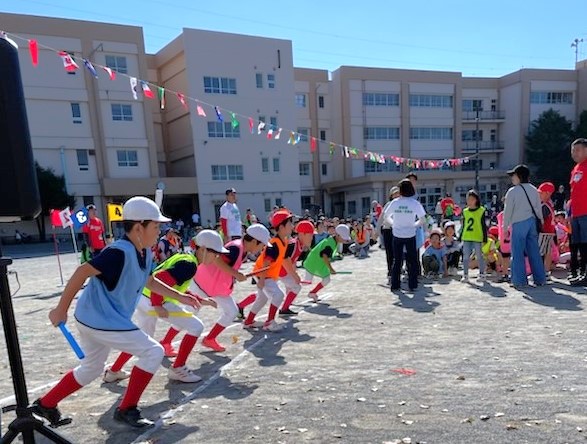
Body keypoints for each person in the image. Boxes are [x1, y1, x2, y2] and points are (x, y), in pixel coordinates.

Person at [31, 196, 200, 428]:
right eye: (156, 226)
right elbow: (81, 272)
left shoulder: (145, 251)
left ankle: (45, 404)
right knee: (153, 352)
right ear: (139, 227)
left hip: (96, 318)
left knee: (91, 368)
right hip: (100, 318)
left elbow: (149, 281)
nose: (159, 231)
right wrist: (60, 309)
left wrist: (181, 296)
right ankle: (126, 409)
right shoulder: (119, 252)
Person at [103, 230, 223, 384]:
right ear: (203, 249)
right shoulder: (190, 265)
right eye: (216, 253)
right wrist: (158, 304)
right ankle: (178, 368)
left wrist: (199, 299)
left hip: (143, 297)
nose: (217, 257)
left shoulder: (185, 258)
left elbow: (173, 284)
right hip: (153, 300)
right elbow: (160, 280)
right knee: (196, 327)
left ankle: (113, 371)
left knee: (142, 337)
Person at [197, 224, 271, 351]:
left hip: (216, 287)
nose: (262, 248)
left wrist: (234, 276)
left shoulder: (242, 250)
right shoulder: (236, 248)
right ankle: (166, 342)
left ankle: (209, 339)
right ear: (253, 241)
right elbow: (216, 260)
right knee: (188, 315)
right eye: (261, 245)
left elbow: (226, 267)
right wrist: (236, 274)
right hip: (202, 283)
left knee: (232, 311)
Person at [243, 209, 300, 332]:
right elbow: (266, 263)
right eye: (290, 223)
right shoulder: (274, 244)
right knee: (278, 295)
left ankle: (248, 321)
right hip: (263, 274)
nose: (292, 226)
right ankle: (269, 322)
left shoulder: (283, 241)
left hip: (263, 274)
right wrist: (262, 280)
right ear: (281, 226)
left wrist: (294, 275)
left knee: (262, 299)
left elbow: (285, 260)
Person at [503, 164, 546, 288]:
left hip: (518, 223)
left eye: (514, 175)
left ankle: (519, 280)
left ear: (519, 176)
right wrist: (541, 221)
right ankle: (540, 278)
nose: (512, 178)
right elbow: (538, 208)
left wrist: (505, 227)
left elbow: (508, 211)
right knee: (534, 251)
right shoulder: (534, 189)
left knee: (517, 252)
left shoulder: (512, 191)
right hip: (532, 222)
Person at [382, 179, 426, 292]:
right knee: (412, 260)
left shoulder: (395, 202)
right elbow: (422, 219)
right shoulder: (415, 203)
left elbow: (386, 216)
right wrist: (414, 225)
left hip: (397, 234)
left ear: (400, 190)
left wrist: (393, 225)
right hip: (410, 234)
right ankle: (412, 284)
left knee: (397, 260)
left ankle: (395, 284)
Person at [303, 224, 352, 301]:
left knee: (326, 280)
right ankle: (291, 288)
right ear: (337, 235)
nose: (345, 240)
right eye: (343, 237)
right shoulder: (330, 243)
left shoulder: (333, 241)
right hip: (313, 262)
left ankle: (312, 293)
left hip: (319, 263)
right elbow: (324, 256)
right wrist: (331, 269)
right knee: (306, 282)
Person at [568, 139, 587, 286]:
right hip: (576, 213)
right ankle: (582, 273)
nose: (574, 153)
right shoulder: (575, 168)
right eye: (573, 150)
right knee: (579, 245)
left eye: (578, 150)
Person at [459, 189, 488, 283]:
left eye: (472, 199)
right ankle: (465, 275)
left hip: (477, 236)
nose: (470, 201)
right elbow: (464, 225)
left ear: (476, 200)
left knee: (479, 256)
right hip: (467, 236)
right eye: (468, 199)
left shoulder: (481, 210)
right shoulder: (465, 211)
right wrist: (460, 236)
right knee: (466, 256)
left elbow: (484, 225)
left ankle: (482, 274)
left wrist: (485, 237)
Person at [376, 186, 400, 284]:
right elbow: (381, 219)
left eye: (398, 193)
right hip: (388, 230)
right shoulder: (388, 205)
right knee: (390, 253)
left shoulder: (403, 205)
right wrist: (377, 233)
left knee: (398, 254)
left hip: (399, 231)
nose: (397, 195)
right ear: (391, 195)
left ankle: (397, 273)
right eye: (395, 193)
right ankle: (391, 273)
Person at [537, 182, 557, 274]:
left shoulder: (544, 205)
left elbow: (541, 219)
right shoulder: (549, 203)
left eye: (541, 193)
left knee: (541, 252)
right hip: (550, 231)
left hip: (545, 231)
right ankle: (546, 271)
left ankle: (541, 272)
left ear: (548, 193)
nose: (539, 194)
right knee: (547, 251)